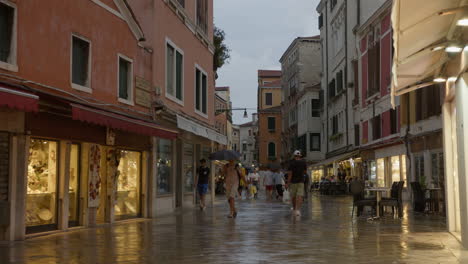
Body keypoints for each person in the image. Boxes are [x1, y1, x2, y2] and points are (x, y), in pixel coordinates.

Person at [285, 150, 307, 217]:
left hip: (293, 182)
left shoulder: (291, 163)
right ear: (300, 156)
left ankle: (294, 208)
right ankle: (298, 210)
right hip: (301, 181)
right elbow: (305, 172)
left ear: (294, 156)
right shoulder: (303, 162)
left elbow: (290, 174)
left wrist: (287, 183)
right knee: (300, 195)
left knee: (294, 196)